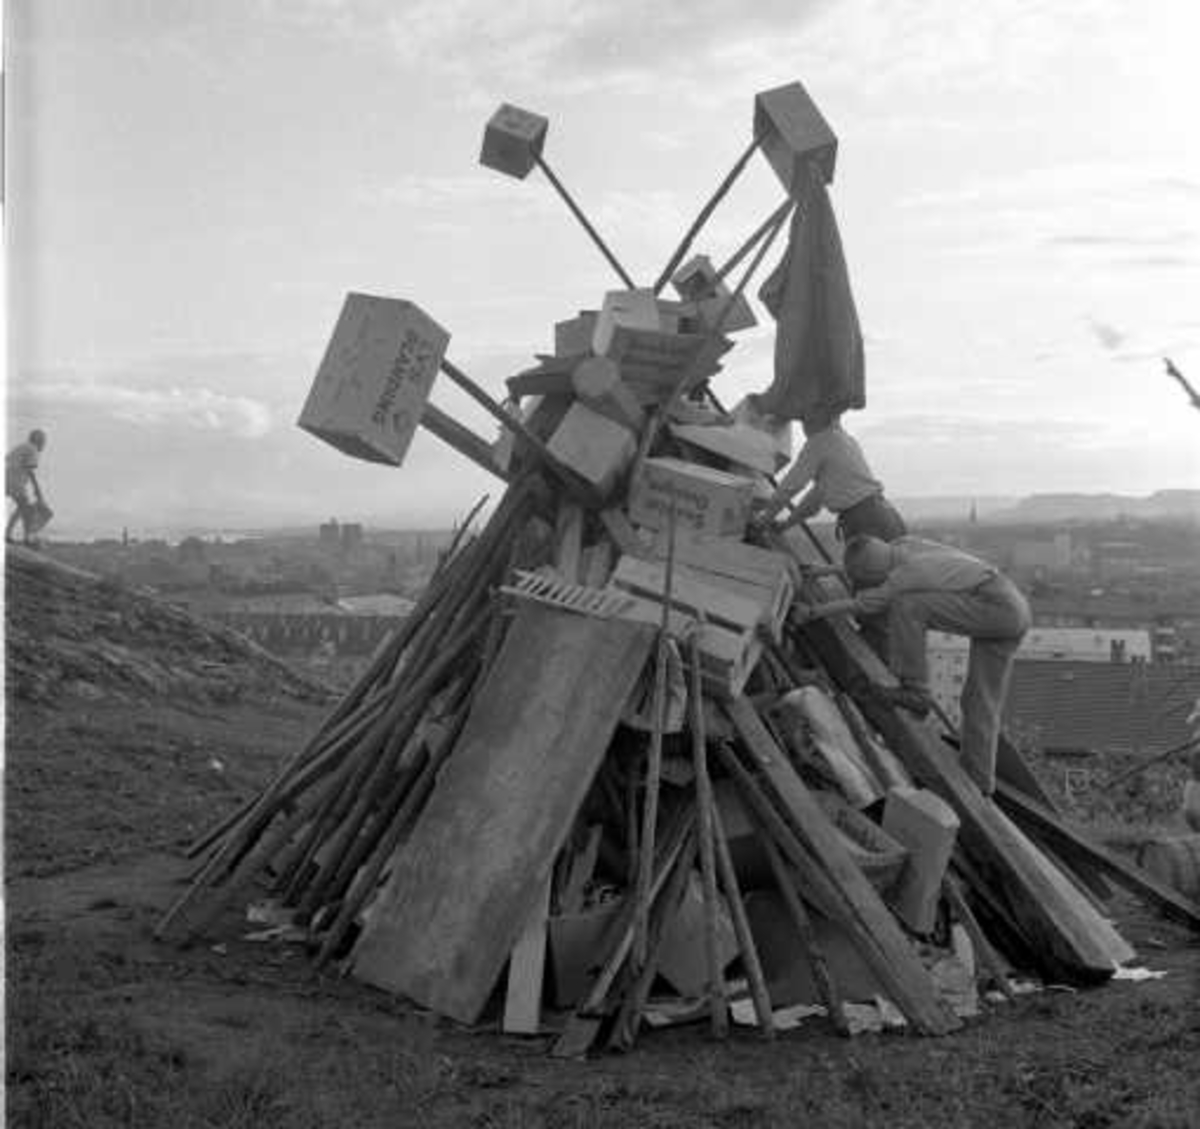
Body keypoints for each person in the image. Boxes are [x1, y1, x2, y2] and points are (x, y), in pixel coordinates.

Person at [792, 533, 1031, 796]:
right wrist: (823, 571)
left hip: (995, 606)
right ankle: (979, 782)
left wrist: (813, 612)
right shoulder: (902, 545)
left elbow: (867, 603)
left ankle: (915, 690)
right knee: (979, 701)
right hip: (1012, 606)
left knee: (909, 606)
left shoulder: (907, 573)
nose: (865, 582)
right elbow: (869, 565)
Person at [754, 407, 906, 541]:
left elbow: (791, 487)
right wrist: (787, 524)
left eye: (804, 418)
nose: (803, 425)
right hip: (885, 516)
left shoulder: (820, 441)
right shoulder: (845, 440)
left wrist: (764, 520)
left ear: (816, 417)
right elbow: (815, 499)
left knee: (867, 571)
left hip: (864, 521)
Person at [6, 429, 49, 546]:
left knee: (22, 508)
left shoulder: (22, 446)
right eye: (44, 441)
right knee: (27, 510)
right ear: (38, 441)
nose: (44, 445)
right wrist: (37, 489)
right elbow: (30, 471)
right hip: (14, 481)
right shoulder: (33, 450)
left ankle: (7, 534)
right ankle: (27, 539)